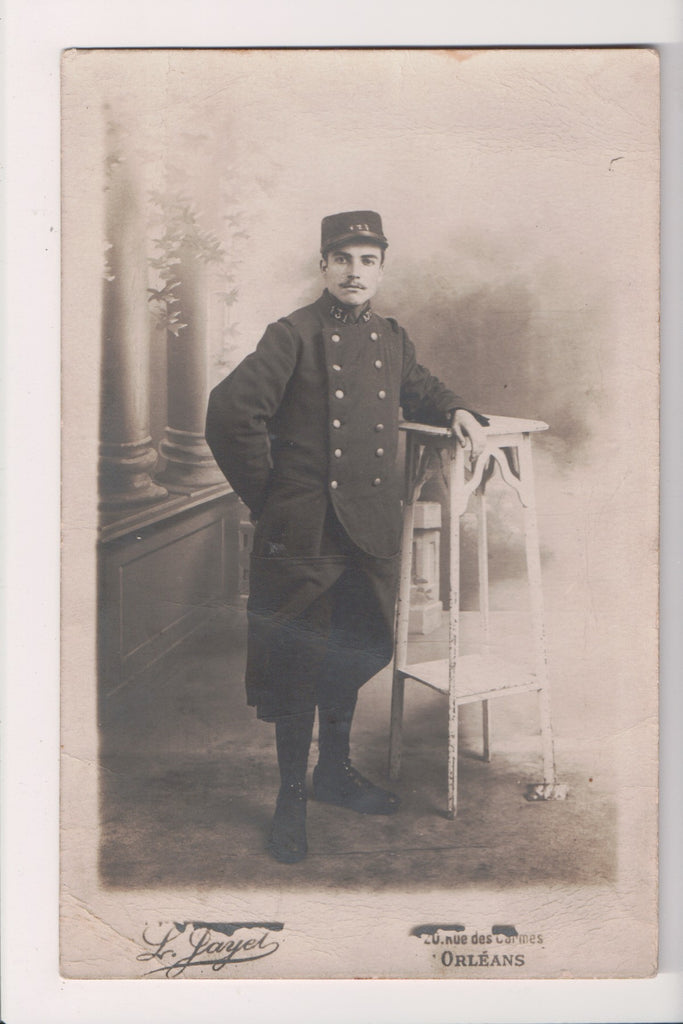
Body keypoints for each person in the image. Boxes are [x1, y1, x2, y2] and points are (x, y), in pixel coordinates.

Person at [205, 210, 487, 863]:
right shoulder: (293, 335)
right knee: (300, 668)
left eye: (367, 259)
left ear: (381, 267)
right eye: (342, 258)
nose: (354, 271)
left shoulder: (391, 337)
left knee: (358, 649)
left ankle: (332, 773)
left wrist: (458, 412)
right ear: (323, 266)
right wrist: (270, 498)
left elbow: (417, 390)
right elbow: (229, 411)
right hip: (304, 535)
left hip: (368, 531)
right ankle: (289, 802)